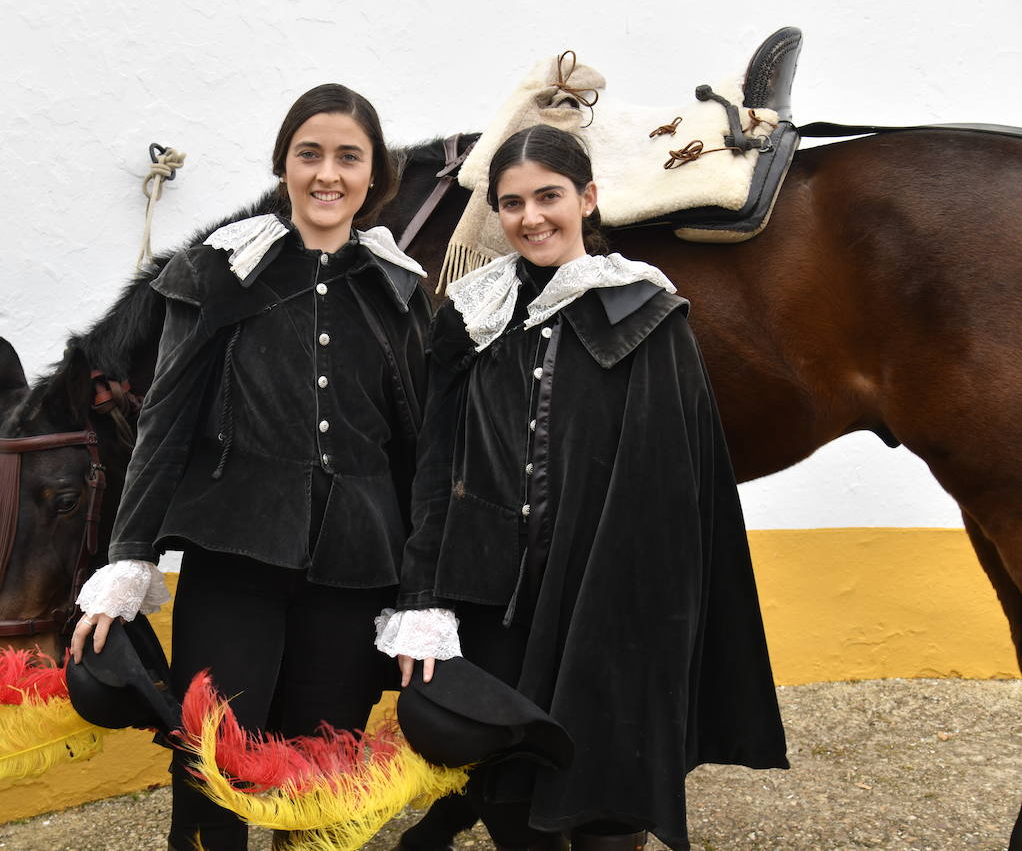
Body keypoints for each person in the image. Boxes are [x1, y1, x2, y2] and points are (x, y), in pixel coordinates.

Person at [376, 124, 787, 851]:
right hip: (489, 604)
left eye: (548, 197)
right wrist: (421, 599)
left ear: (587, 199)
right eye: (511, 203)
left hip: (603, 612)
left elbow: (673, 498)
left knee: (602, 814)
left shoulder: (645, 314)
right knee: (510, 801)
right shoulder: (470, 317)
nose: (531, 217)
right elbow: (438, 468)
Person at [70, 83, 431, 851]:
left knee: (322, 772)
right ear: (284, 166)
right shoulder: (216, 273)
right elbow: (163, 421)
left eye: (348, 157)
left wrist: (424, 590)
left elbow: (418, 449)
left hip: (356, 566)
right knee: (215, 767)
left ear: (373, 177)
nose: (327, 174)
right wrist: (129, 556)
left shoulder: (399, 291)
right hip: (234, 553)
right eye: (310, 154)